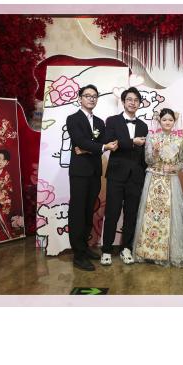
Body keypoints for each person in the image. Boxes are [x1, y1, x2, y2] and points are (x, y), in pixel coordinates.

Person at [66, 84, 118, 271]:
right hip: (80, 173)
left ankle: (85, 247)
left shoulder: (99, 122)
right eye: (87, 95)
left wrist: (88, 148)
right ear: (80, 98)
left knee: (89, 211)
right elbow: (80, 141)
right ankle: (78, 255)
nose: (91, 98)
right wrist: (99, 147)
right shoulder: (73, 119)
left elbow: (98, 141)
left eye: (94, 96)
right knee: (78, 213)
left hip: (95, 172)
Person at [132, 109, 183, 267]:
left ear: (174, 122)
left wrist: (174, 168)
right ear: (160, 121)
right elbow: (148, 160)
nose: (167, 122)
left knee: (171, 216)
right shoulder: (152, 137)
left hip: (171, 180)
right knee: (150, 214)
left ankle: (169, 253)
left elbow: (182, 161)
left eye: (170, 120)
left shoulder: (180, 140)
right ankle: (147, 252)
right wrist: (155, 152)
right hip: (153, 179)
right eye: (164, 120)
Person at [101, 87, 148, 266]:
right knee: (112, 213)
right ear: (123, 102)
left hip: (136, 176)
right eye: (129, 99)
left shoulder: (143, 125)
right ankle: (106, 250)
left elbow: (143, 153)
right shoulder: (112, 121)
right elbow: (110, 143)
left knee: (131, 214)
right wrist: (131, 142)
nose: (132, 103)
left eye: (136, 100)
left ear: (139, 103)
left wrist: (146, 171)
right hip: (116, 174)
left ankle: (126, 248)